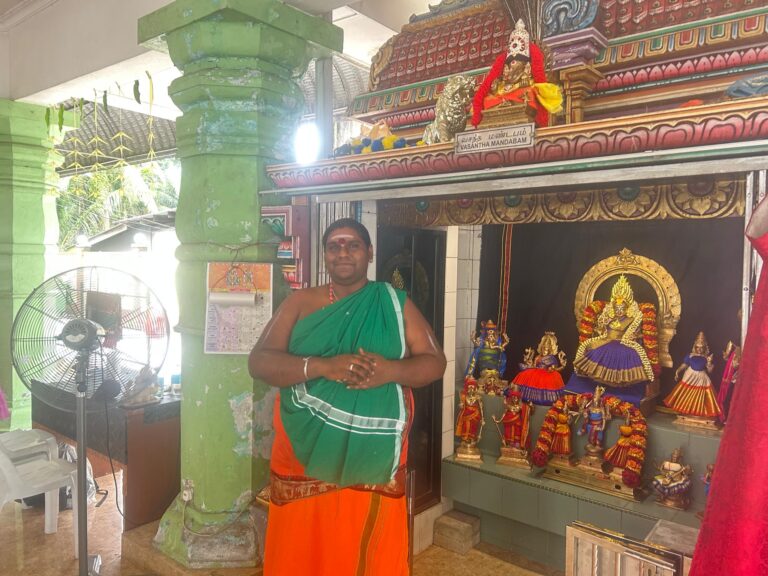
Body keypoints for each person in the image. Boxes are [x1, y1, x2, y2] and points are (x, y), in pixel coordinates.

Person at [249, 218, 446, 576]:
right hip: (302, 452)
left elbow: (435, 363)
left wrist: (390, 371)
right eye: (334, 246)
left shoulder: (394, 303)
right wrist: (323, 366)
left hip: (372, 455)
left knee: (365, 547)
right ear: (325, 254)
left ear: (369, 253)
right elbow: (259, 362)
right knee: (302, 547)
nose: (343, 252)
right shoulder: (300, 302)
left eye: (353, 245)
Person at [568, 275, 655, 405]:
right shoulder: (609, 318)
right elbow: (602, 329)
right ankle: (596, 385)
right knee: (591, 348)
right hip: (605, 340)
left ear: (627, 308)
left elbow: (636, 334)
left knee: (621, 353)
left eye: (622, 308)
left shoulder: (632, 319)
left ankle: (618, 386)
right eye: (616, 308)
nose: (619, 311)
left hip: (623, 342)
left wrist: (633, 337)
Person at [471, 19, 563, 128]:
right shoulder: (501, 83)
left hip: (522, 98)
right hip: (503, 97)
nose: (508, 68)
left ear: (526, 67)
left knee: (528, 94)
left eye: (514, 63)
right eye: (507, 64)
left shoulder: (530, 86)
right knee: (487, 100)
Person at [664, 331, 721, 419]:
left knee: (701, 394)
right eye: (698, 347)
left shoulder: (706, 358)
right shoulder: (690, 356)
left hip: (701, 378)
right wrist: (678, 371)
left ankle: (698, 412)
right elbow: (684, 365)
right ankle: (686, 411)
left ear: (705, 348)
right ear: (695, 347)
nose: (699, 349)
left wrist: (709, 363)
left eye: (702, 348)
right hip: (690, 376)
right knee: (686, 393)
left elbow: (710, 371)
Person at [512, 331, 567, 404]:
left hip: (547, 374)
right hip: (535, 371)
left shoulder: (551, 358)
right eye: (543, 349)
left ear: (549, 350)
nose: (544, 351)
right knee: (522, 374)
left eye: (546, 349)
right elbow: (534, 365)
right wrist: (528, 363)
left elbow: (555, 369)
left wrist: (562, 366)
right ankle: (515, 397)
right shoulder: (538, 357)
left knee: (544, 385)